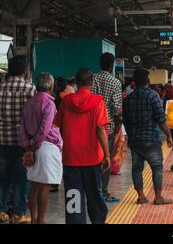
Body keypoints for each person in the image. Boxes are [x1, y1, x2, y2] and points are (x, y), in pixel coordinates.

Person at [54, 68, 110, 224]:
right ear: (91, 83)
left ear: (77, 83)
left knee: (73, 195)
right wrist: (107, 154)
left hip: (71, 157)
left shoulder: (65, 102)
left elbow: (60, 127)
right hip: (92, 157)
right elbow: (100, 129)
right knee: (94, 194)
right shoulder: (98, 102)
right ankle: (98, 220)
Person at [123, 69, 173, 205]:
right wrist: (169, 135)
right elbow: (161, 119)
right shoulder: (153, 96)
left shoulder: (128, 99)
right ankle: (158, 197)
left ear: (134, 82)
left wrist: (131, 135)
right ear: (147, 82)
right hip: (151, 139)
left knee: (137, 168)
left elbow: (125, 121)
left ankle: (141, 196)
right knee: (157, 167)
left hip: (135, 141)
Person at [19, 73, 62, 224]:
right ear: (50, 87)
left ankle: (34, 220)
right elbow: (45, 129)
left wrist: (28, 148)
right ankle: (41, 220)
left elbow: (22, 128)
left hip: (31, 147)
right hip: (46, 147)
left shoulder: (29, 103)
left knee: (34, 185)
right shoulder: (49, 104)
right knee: (44, 185)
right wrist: (35, 145)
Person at [0, 56, 36, 224]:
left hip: (2, 140)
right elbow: (33, 118)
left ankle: (2, 211)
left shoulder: (0, 89)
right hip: (23, 142)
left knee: (3, 177)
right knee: (22, 178)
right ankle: (18, 213)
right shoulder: (30, 89)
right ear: (24, 70)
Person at [92, 53, 122, 203]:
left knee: (92, 158)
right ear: (112, 66)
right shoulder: (115, 82)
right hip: (106, 127)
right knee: (105, 158)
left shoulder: (92, 79)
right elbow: (117, 108)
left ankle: (92, 189)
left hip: (90, 126)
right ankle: (102, 191)